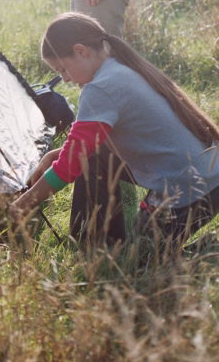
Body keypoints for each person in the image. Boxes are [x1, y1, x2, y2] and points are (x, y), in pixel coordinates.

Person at [12, 13, 219, 248]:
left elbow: (71, 164)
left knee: (139, 263)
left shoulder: (100, 88)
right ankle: (93, 242)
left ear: (81, 51)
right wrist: (53, 155)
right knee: (93, 156)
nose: (65, 79)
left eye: (63, 70)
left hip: (187, 193)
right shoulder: (120, 66)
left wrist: (20, 206)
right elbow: (85, 148)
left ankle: (208, 250)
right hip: (210, 177)